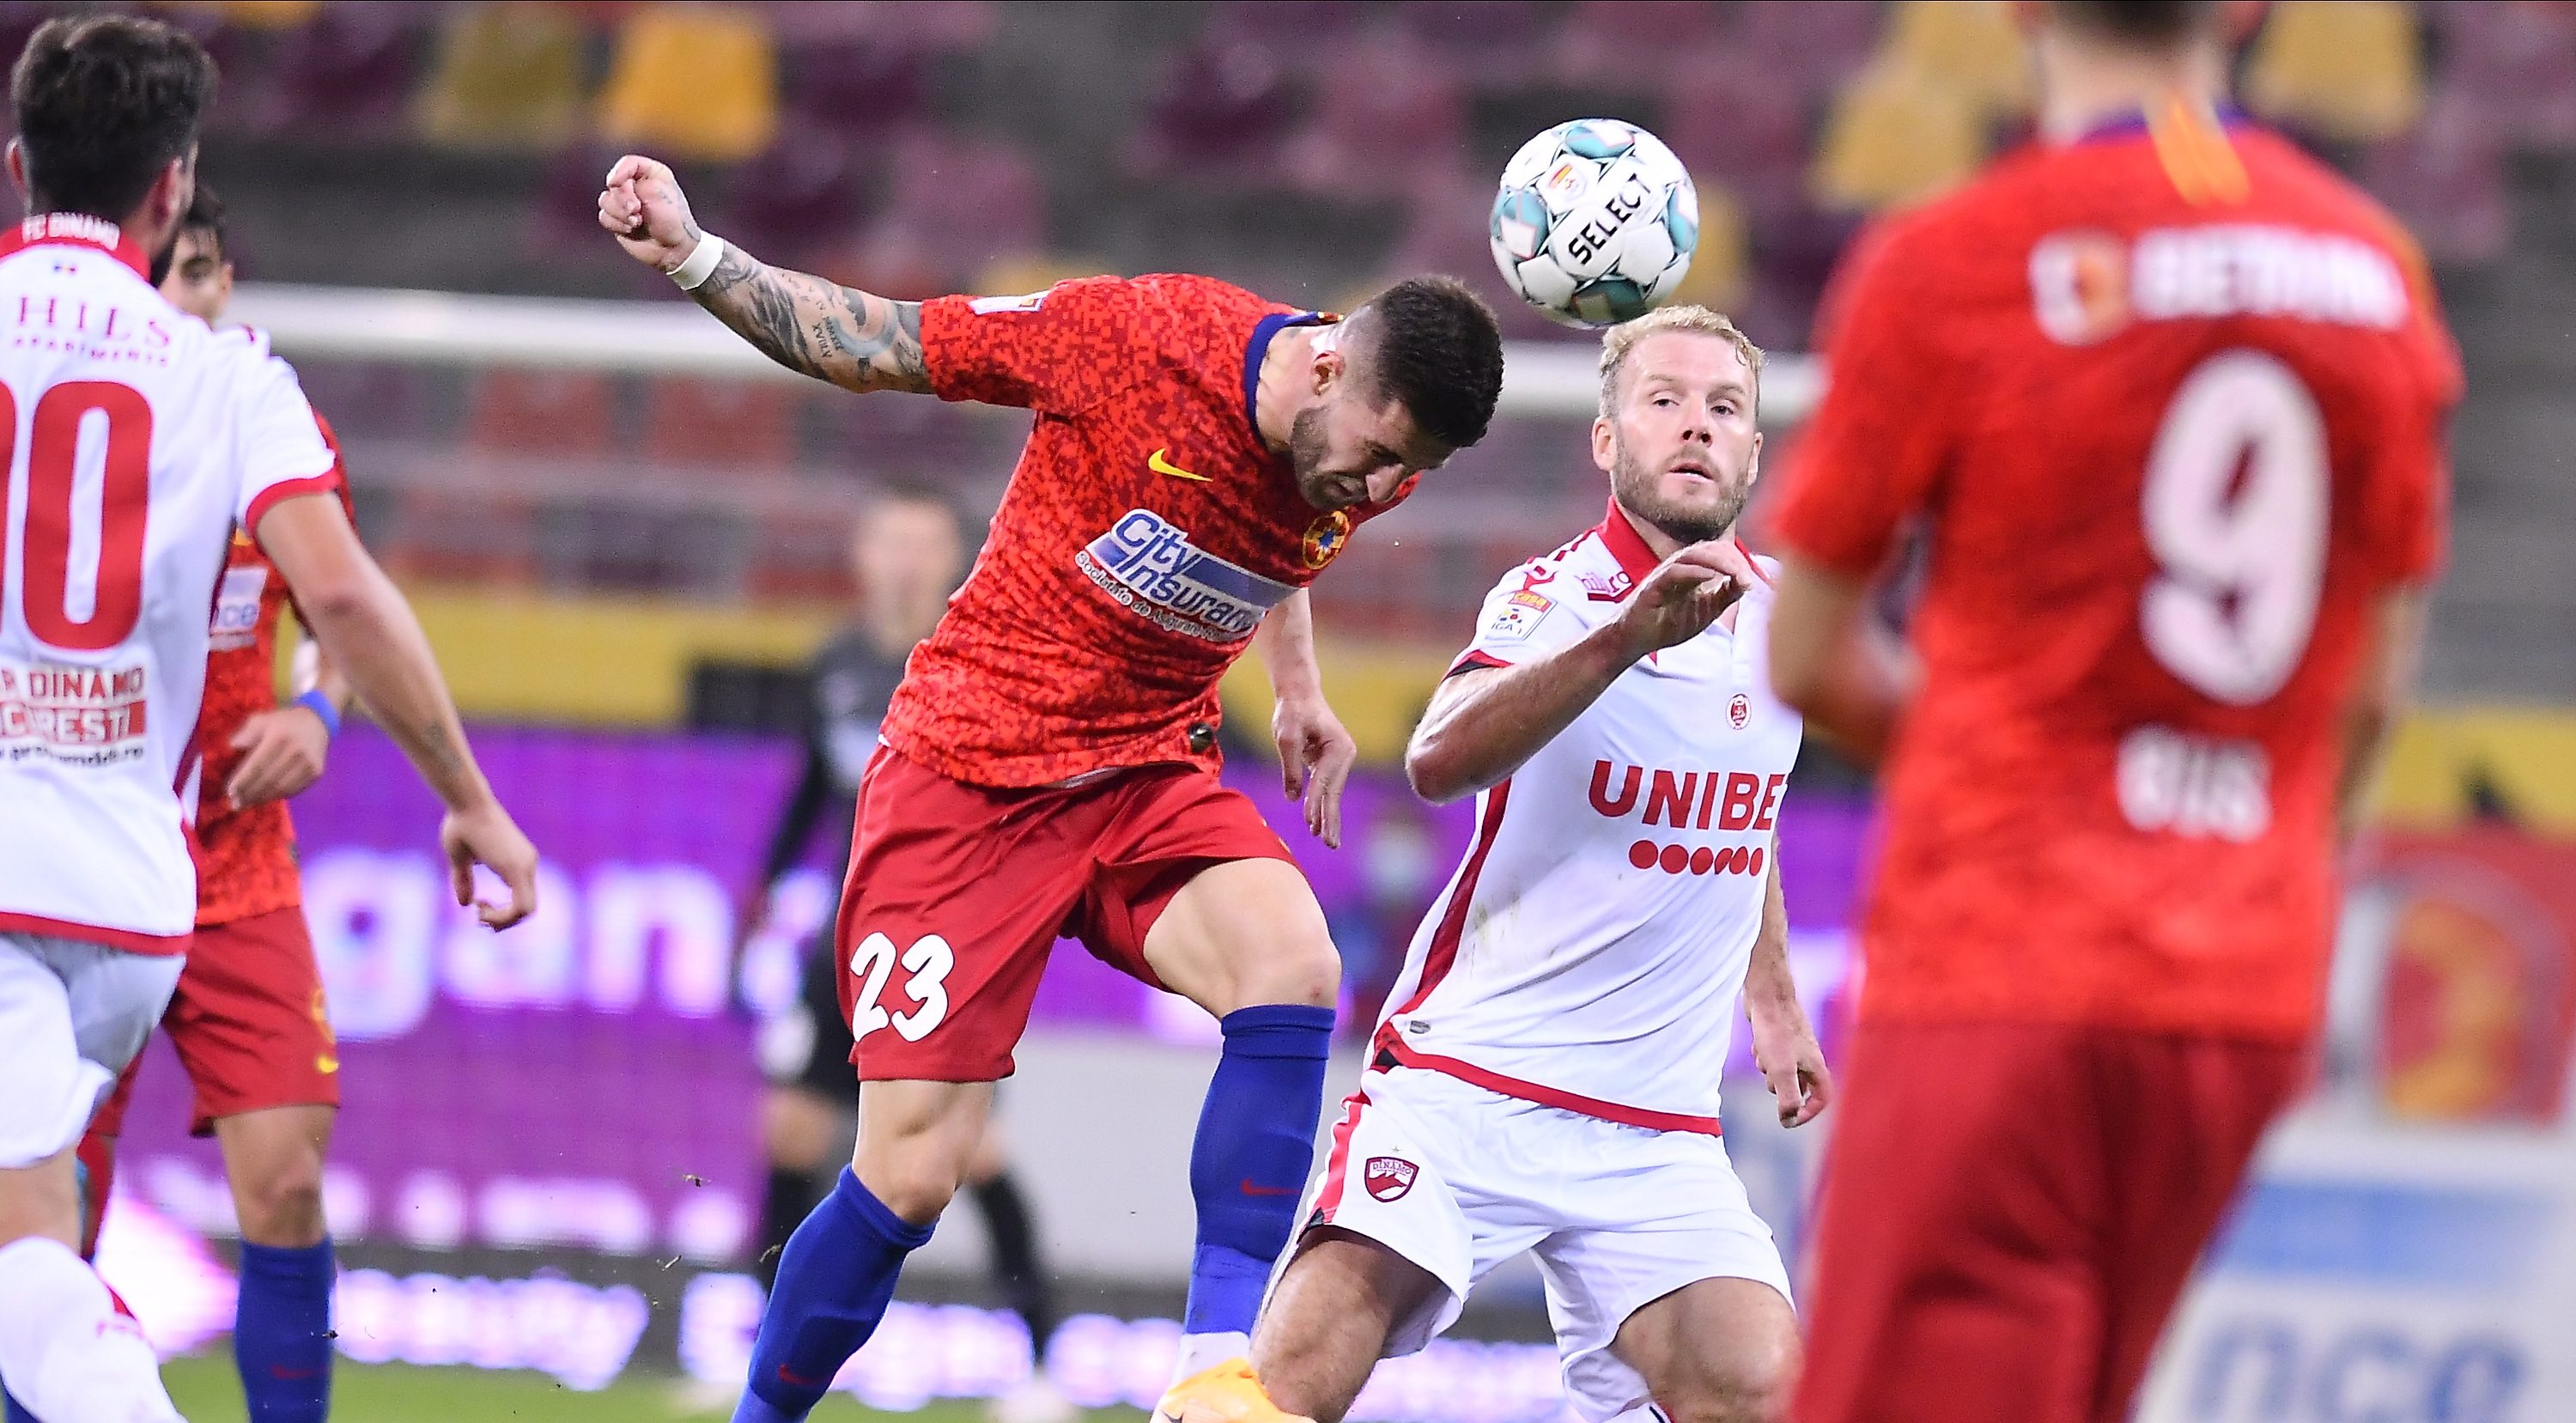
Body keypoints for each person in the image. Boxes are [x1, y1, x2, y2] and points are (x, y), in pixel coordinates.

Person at [596, 156, 1504, 1423]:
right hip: (967, 775)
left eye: (1413, 473)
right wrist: (699, 256)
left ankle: (1213, 1369)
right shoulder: (1133, 341)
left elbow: (1275, 531)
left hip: (1144, 770)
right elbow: (875, 343)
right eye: (1380, 454)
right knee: (910, 1178)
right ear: (1327, 365)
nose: (1382, 490)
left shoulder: (1355, 450)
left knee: (1294, 964)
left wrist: (1297, 686)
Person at [1763, 4, 2461, 1421]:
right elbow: (2370, 691)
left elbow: (1805, 651)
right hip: (2242, 995)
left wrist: (2006, 756)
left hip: (2005, 973)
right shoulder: (2376, 270)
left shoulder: (1963, 255)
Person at [0, 16, 538, 1423]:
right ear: (169, 185)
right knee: (34, 1243)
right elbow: (347, 594)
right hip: (132, 888)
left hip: (56, 869)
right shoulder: (226, 380)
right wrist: (470, 798)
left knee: (28, 1255)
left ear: (16, 165)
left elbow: (329, 628)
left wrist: (322, 710)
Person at [1183, 306, 1831, 1423]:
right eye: (1665, 401)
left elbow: (1747, 801)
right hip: (1471, 1082)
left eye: (1725, 408)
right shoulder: (1553, 598)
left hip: (1655, 1127)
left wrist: (1771, 998)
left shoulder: (1781, 620)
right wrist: (1625, 639)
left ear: (1755, 449)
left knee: (1764, 1393)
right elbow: (1437, 759)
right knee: (1290, 1382)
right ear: (1607, 439)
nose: (1696, 426)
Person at [7, 183, 365, 1423]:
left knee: (289, 1184)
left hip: (233, 859)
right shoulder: (68, 420)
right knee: (49, 1220)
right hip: (82, 847)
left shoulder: (261, 422)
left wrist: (317, 714)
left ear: (228, 286)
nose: (185, 296)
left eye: (205, 274)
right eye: (171, 272)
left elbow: (343, 618)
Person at [739, 489, 1072, 1423]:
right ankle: (759, 1354)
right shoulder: (833, 665)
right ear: (861, 553)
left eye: (924, 543)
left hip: (947, 942)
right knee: (790, 1135)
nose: (904, 560)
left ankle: (1042, 1366)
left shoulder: (986, 660)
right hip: (845, 938)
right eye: (890, 539)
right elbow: (814, 790)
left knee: (972, 1156)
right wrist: (763, 887)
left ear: (955, 557)